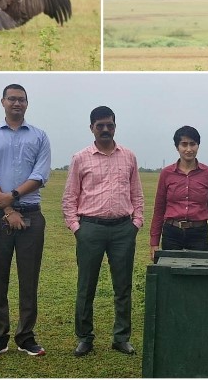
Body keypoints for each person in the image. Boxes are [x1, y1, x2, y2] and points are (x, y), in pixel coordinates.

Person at [62, 106, 144, 357]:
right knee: (86, 286)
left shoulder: (128, 156)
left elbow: (137, 195)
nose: (105, 130)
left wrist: (135, 223)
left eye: (109, 125)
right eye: (100, 126)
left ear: (115, 127)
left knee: (123, 287)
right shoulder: (80, 158)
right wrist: (78, 228)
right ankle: (85, 338)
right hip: (91, 229)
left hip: (122, 229)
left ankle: (121, 338)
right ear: (92, 128)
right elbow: (69, 198)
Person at [0, 84, 51, 358]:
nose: (16, 103)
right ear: (3, 102)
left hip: (31, 213)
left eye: (21, 99)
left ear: (27, 104)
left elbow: (41, 174)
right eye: (12, 99)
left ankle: (26, 336)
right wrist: (8, 208)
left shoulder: (40, 136)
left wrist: (15, 196)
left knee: (29, 277)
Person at [150, 125, 208, 261]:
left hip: (198, 234)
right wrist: (154, 242)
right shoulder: (166, 174)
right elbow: (159, 208)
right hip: (172, 233)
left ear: (198, 145)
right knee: (170, 276)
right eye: (184, 144)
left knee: (199, 276)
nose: (189, 149)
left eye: (193, 144)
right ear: (177, 147)